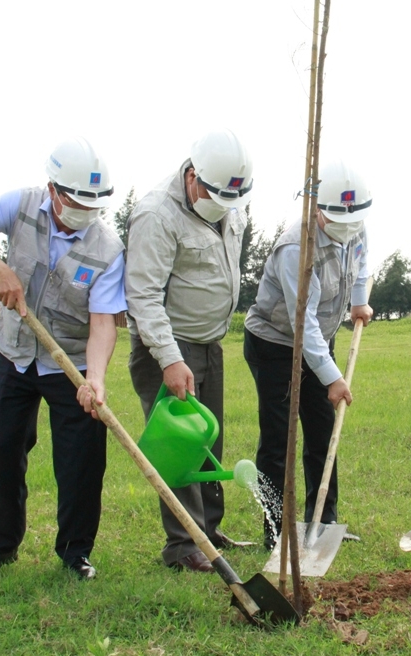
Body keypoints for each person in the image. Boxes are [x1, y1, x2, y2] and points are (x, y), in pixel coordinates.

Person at [0, 137, 125, 581]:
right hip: (15, 356)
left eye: (94, 203)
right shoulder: (21, 205)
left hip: (72, 366)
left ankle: (75, 554)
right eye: (77, 201)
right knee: (3, 452)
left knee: (82, 462)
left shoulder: (108, 248)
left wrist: (95, 379)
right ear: (53, 190)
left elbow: (103, 323)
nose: (85, 210)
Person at [125, 128, 254, 573]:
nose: (224, 206)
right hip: (167, 345)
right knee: (180, 447)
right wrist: (170, 359)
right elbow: (142, 296)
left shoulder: (227, 204)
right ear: (193, 176)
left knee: (208, 441)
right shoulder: (156, 215)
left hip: (208, 342)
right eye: (216, 195)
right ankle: (183, 546)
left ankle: (210, 534)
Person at [243, 160, 373, 549]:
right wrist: (332, 377)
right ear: (316, 207)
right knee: (278, 439)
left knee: (322, 432)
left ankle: (323, 522)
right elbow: (305, 324)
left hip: (320, 342)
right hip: (275, 345)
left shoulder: (354, 221)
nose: (348, 230)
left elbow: (362, 259)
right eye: (338, 222)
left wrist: (359, 302)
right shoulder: (295, 248)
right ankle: (276, 533)